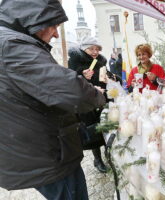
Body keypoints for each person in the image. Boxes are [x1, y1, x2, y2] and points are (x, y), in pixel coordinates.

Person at [0, 0, 106, 199]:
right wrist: (99, 96)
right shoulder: (11, 45)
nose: (57, 34)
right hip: (47, 154)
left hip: (39, 148)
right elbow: (73, 91)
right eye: (54, 26)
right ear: (35, 18)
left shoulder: (12, 41)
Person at [68, 36, 109, 173]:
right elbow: (70, 81)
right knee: (93, 130)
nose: (95, 51)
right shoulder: (75, 62)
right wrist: (82, 76)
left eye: (97, 49)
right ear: (83, 48)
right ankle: (97, 159)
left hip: (101, 98)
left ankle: (107, 153)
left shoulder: (100, 62)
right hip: (85, 102)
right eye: (91, 48)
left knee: (104, 126)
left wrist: (109, 79)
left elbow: (103, 77)